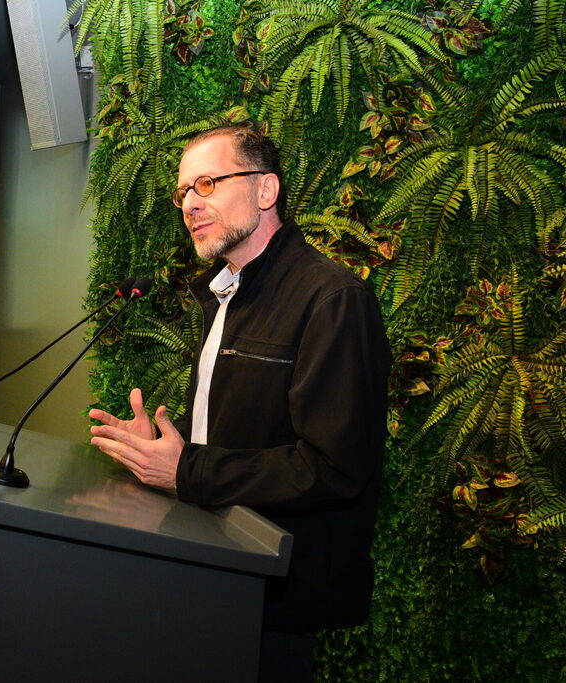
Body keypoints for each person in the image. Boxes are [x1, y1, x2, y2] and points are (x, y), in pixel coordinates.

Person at [88, 126, 391, 682]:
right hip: (210, 562)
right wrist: (163, 443)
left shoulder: (332, 299)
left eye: (207, 182)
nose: (190, 203)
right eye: (182, 192)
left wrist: (187, 469)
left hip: (273, 593)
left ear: (265, 190)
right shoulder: (225, 291)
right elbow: (235, 422)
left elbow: (333, 467)